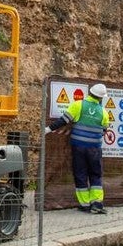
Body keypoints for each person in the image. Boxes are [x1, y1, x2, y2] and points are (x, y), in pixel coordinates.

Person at [46, 83, 112, 213]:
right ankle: (97, 204)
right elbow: (105, 129)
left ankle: (85, 204)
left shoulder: (78, 105)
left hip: (79, 147)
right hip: (95, 148)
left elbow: (63, 120)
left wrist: (48, 129)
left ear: (90, 93)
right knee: (95, 174)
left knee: (80, 173)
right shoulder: (103, 112)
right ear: (100, 98)